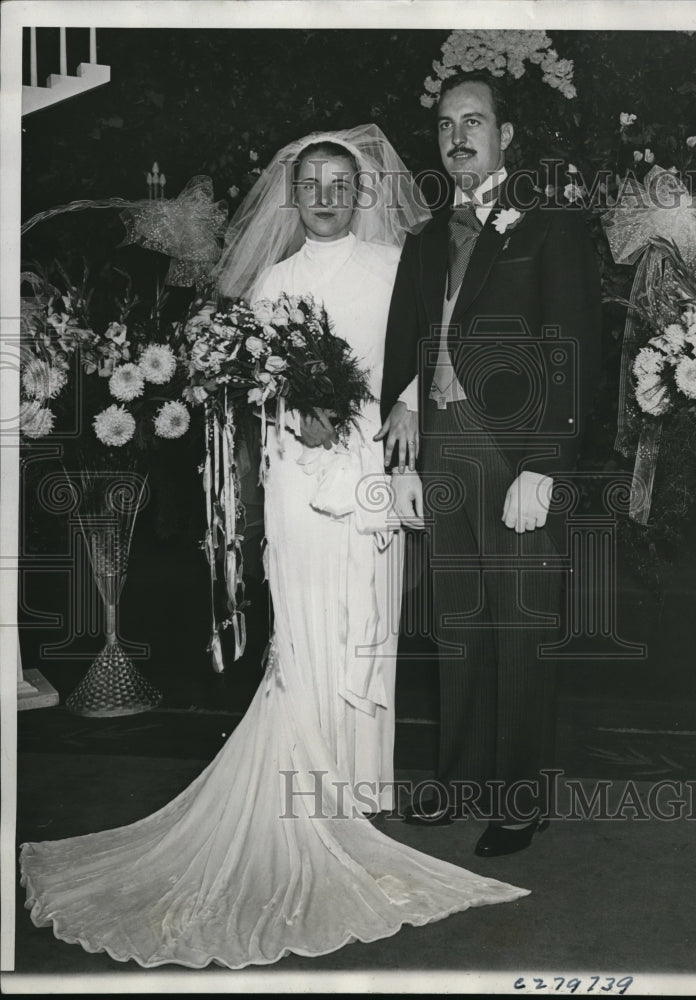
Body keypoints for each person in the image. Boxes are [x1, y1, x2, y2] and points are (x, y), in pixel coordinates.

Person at [19, 125, 531, 969]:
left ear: (362, 190)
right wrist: (292, 414)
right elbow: (249, 393)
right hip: (297, 476)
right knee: (304, 617)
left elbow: (417, 359)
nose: (325, 194)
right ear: (291, 198)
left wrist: (374, 417)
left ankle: (363, 784)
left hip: (370, 470)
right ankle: (309, 777)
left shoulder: (395, 266)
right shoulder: (272, 281)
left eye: (340, 180)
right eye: (310, 183)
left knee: (366, 616)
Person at [378, 73, 602, 856]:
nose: (458, 137)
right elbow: (415, 338)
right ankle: (459, 775)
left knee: (517, 626)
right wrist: (402, 436)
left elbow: (572, 346)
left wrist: (546, 463)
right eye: (445, 126)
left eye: (474, 123)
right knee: (458, 624)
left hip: (512, 452)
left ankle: (519, 795)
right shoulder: (424, 238)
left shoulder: (549, 226)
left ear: (507, 138)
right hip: (440, 444)